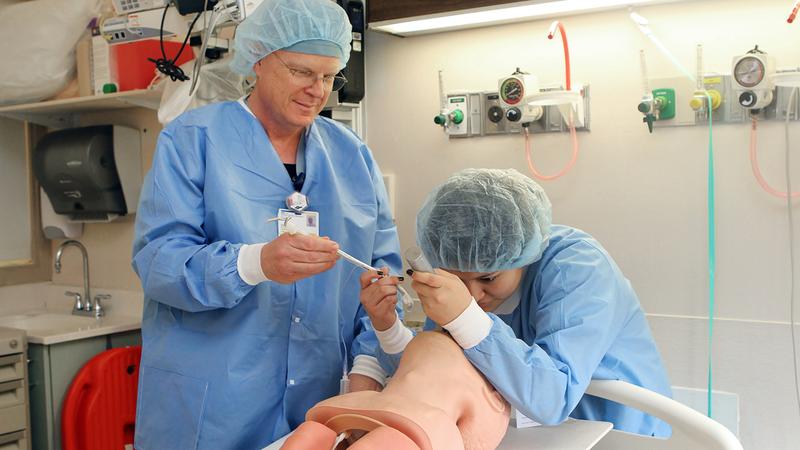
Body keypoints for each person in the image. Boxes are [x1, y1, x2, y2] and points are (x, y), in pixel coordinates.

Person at [131, 1, 401, 448]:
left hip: (316, 410)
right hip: (213, 408)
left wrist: (366, 373)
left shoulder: (352, 156)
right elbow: (159, 263)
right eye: (301, 71)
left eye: (329, 77)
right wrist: (253, 263)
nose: (318, 90)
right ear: (259, 59)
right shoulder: (192, 140)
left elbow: (380, 282)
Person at [360, 168, 672, 437]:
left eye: (488, 279)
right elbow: (432, 370)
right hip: (543, 434)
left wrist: (465, 318)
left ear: (522, 255)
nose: (472, 296)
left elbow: (553, 398)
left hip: (622, 434)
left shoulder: (578, 269)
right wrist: (387, 326)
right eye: (457, 279)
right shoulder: (463, 286)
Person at [281, 331, 510, 450]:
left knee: (317, 434)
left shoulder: (426, 340)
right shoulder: (491, 394)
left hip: (361, 403)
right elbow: (474, 440)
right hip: (418, 423)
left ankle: (311, 436)